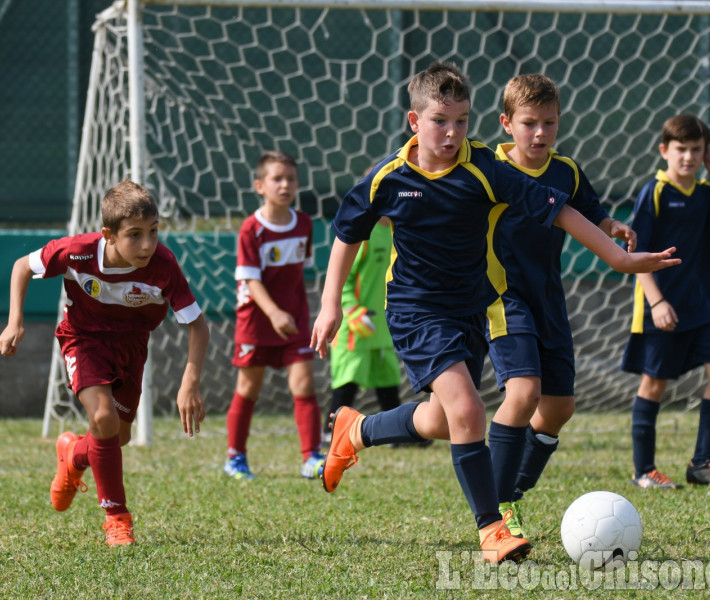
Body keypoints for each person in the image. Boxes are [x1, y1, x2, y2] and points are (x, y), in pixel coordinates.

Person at [311, 61, 680, 564]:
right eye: (440, 120)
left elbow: (560, 209)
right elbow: (347, 233)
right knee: (469, 412)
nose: (453, 132)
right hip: (416, 310)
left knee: (444, 419)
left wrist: (618, 258)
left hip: (472, 309)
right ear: (414, 122)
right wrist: (331, 303)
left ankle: (357, 430)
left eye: (462, 120)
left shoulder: (484, 167)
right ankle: (492, 529)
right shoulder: (388, 179)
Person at [0, 179, 209, 547]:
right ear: (108, 235)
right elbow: (20, 267)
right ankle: (117, 518)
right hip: (84, 339)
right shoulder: (76, 252)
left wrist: (189, 382)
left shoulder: (163, 265)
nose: (147, 244)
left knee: (117, 435)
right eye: (134, 235)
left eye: (154, 231)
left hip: (132, 346)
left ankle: (72, 455)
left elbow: (197, 325)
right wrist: (15, 320)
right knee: (103, 419)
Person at [484, 73, 638, 539]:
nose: (539, 133)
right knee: (523, 392)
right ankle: (496, 507)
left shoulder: (565, 170)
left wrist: (611, 226)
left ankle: (515, 488)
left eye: (549, 123)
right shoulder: (487, 168)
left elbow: (590, 209)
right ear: (506, 123)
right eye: (529, 123)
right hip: (500, 296)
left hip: (549, 296)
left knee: (559, 407)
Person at [622, 113, 710, 489]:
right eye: (681, 149)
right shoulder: (655, 192)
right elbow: (636, 253)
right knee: (654, 385)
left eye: (696, 150)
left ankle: (703, 463)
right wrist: (657, 302)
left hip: (701, 309)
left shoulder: (708, 193)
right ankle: (644, 471)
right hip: (661, 308)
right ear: (664, 150)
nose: (688, 157)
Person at [224, 150, 325, 481]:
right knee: (249, 388)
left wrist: (293, 312)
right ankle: (235, 458)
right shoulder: (251, 229)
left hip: (294, 318)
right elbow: (250, 280)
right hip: (257, 322)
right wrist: (273, 312)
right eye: (277, 179)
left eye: (291, 179)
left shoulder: (305, 223)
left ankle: (311, 457)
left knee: (304, 383)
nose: (285, 185)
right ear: (259, 186)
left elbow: (300, 271)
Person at [325, 214, 409, 445]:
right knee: (348, 380)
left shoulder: (398, 231)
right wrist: (351, 310)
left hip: (382, 324)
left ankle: (396, 435)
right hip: (355, 325)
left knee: (388, 378)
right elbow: (343, 278)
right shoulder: (361, 235)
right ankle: (329, 433)